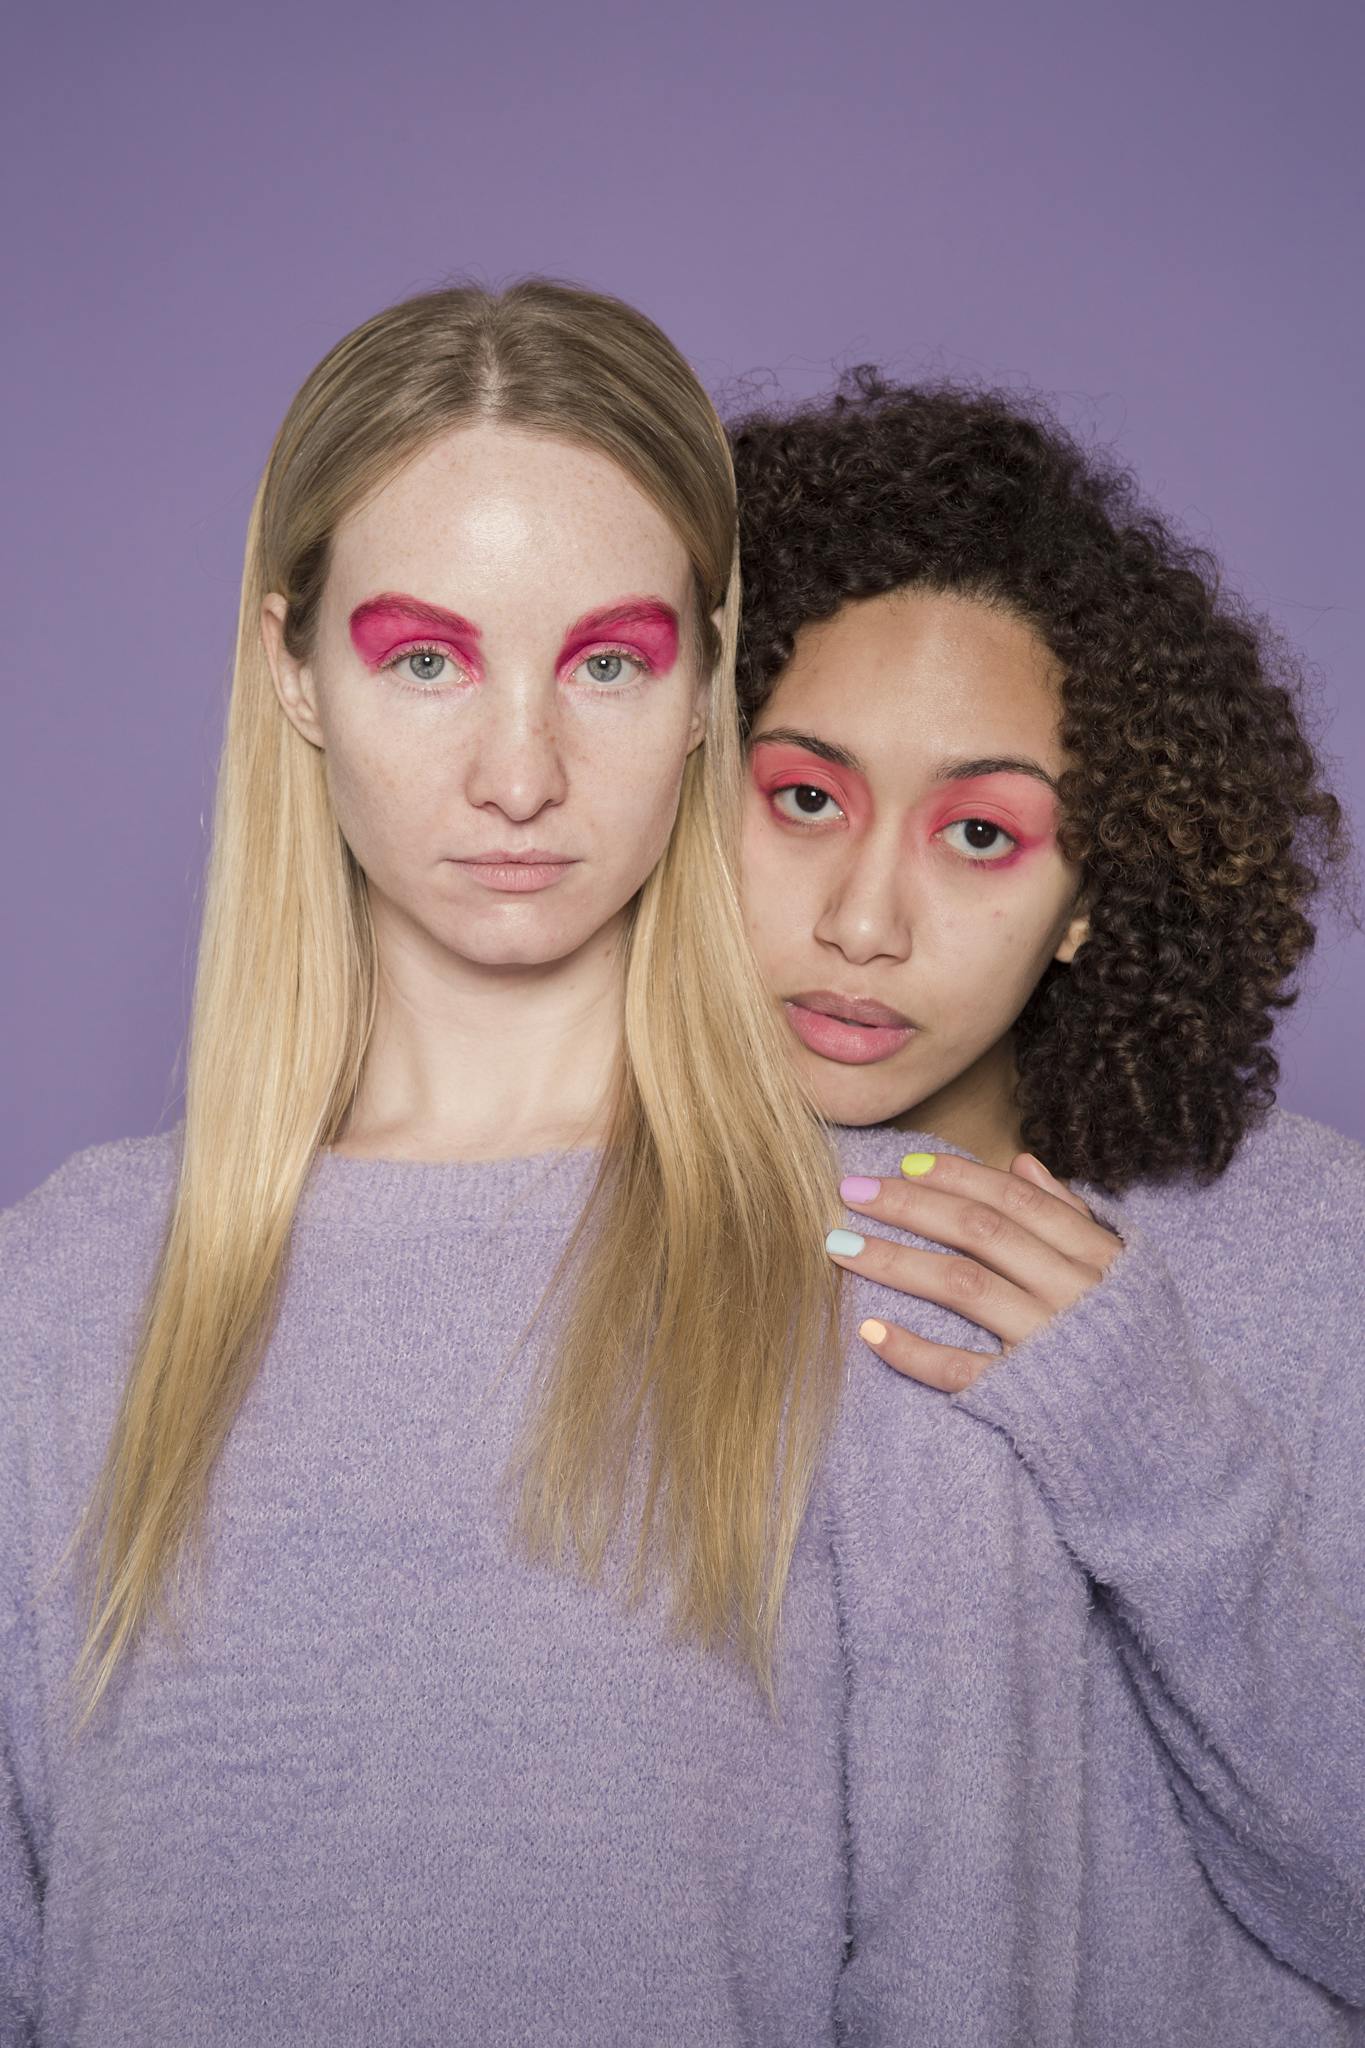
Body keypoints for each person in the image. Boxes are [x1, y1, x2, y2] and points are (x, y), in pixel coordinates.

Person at [729, 371, 1365, 2035]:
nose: (865, 919)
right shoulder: (563, 1218)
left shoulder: (1310, 1254)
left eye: (982, 836)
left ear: (1093, 896)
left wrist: (1151, 1452)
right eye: (803, 797)